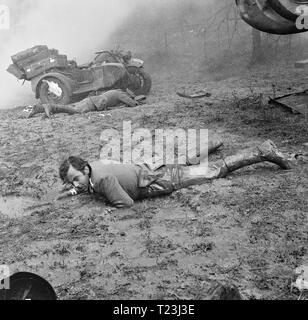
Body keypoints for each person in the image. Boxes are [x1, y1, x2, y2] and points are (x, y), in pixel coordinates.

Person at [57, 140, 291, 208]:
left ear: (85, 169)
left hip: (158, 179)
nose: (75, 183)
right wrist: (80, 186)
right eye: (72, 181)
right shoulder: (93, 166)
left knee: (214, 171)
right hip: (149, 168)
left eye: (76, 178)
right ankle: (212, 144)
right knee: (183, 163)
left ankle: (262, 151)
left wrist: (103, 202)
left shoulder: (101, 179)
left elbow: (126, 203)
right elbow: (91, 181)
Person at [28, 89, 145, 118]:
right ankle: (49, 106)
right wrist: (137, 102)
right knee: (73, 111)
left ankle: (38, 109)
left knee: (68, 108)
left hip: (89, 100)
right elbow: (132, 104)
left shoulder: (115, 91)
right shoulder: (121, 94)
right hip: (91, 104)